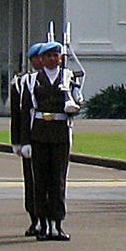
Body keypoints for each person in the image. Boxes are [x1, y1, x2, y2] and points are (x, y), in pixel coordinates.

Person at [23, 41, 83, 240]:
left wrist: (73, 106)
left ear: (60, 57)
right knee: (40, 180)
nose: (51, 59)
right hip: (39, 132)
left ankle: (57, 223)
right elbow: (26, 111)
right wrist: (24, 142)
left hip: (59, 132)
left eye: (55, 55)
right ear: (42, 58)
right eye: (48, 56)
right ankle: (43, 222)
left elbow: (78, 101)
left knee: (58, 180)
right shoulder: (32, 80)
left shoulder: (68, 77)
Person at [9, 45, 42, 235]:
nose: (39, 61)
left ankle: (49, 218)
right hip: (29, 136)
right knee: (31, 181)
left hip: (48, 135)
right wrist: (18, 142)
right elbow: (18, 114)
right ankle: (34, 217)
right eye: (35, 58)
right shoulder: (22, 83)